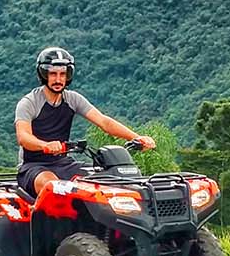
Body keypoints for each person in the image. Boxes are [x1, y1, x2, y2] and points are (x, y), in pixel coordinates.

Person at [15, 46, 156, 197]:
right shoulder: (29, 102)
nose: (58, 79)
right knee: (54, 187)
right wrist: (45, 145)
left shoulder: (73, 99)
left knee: (104, 180)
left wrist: (137, 138)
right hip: (33, 166)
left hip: (64, 163)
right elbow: (23, 137)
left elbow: (104, 122)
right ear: (43, 75)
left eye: (63, 74)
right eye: (53, 74)